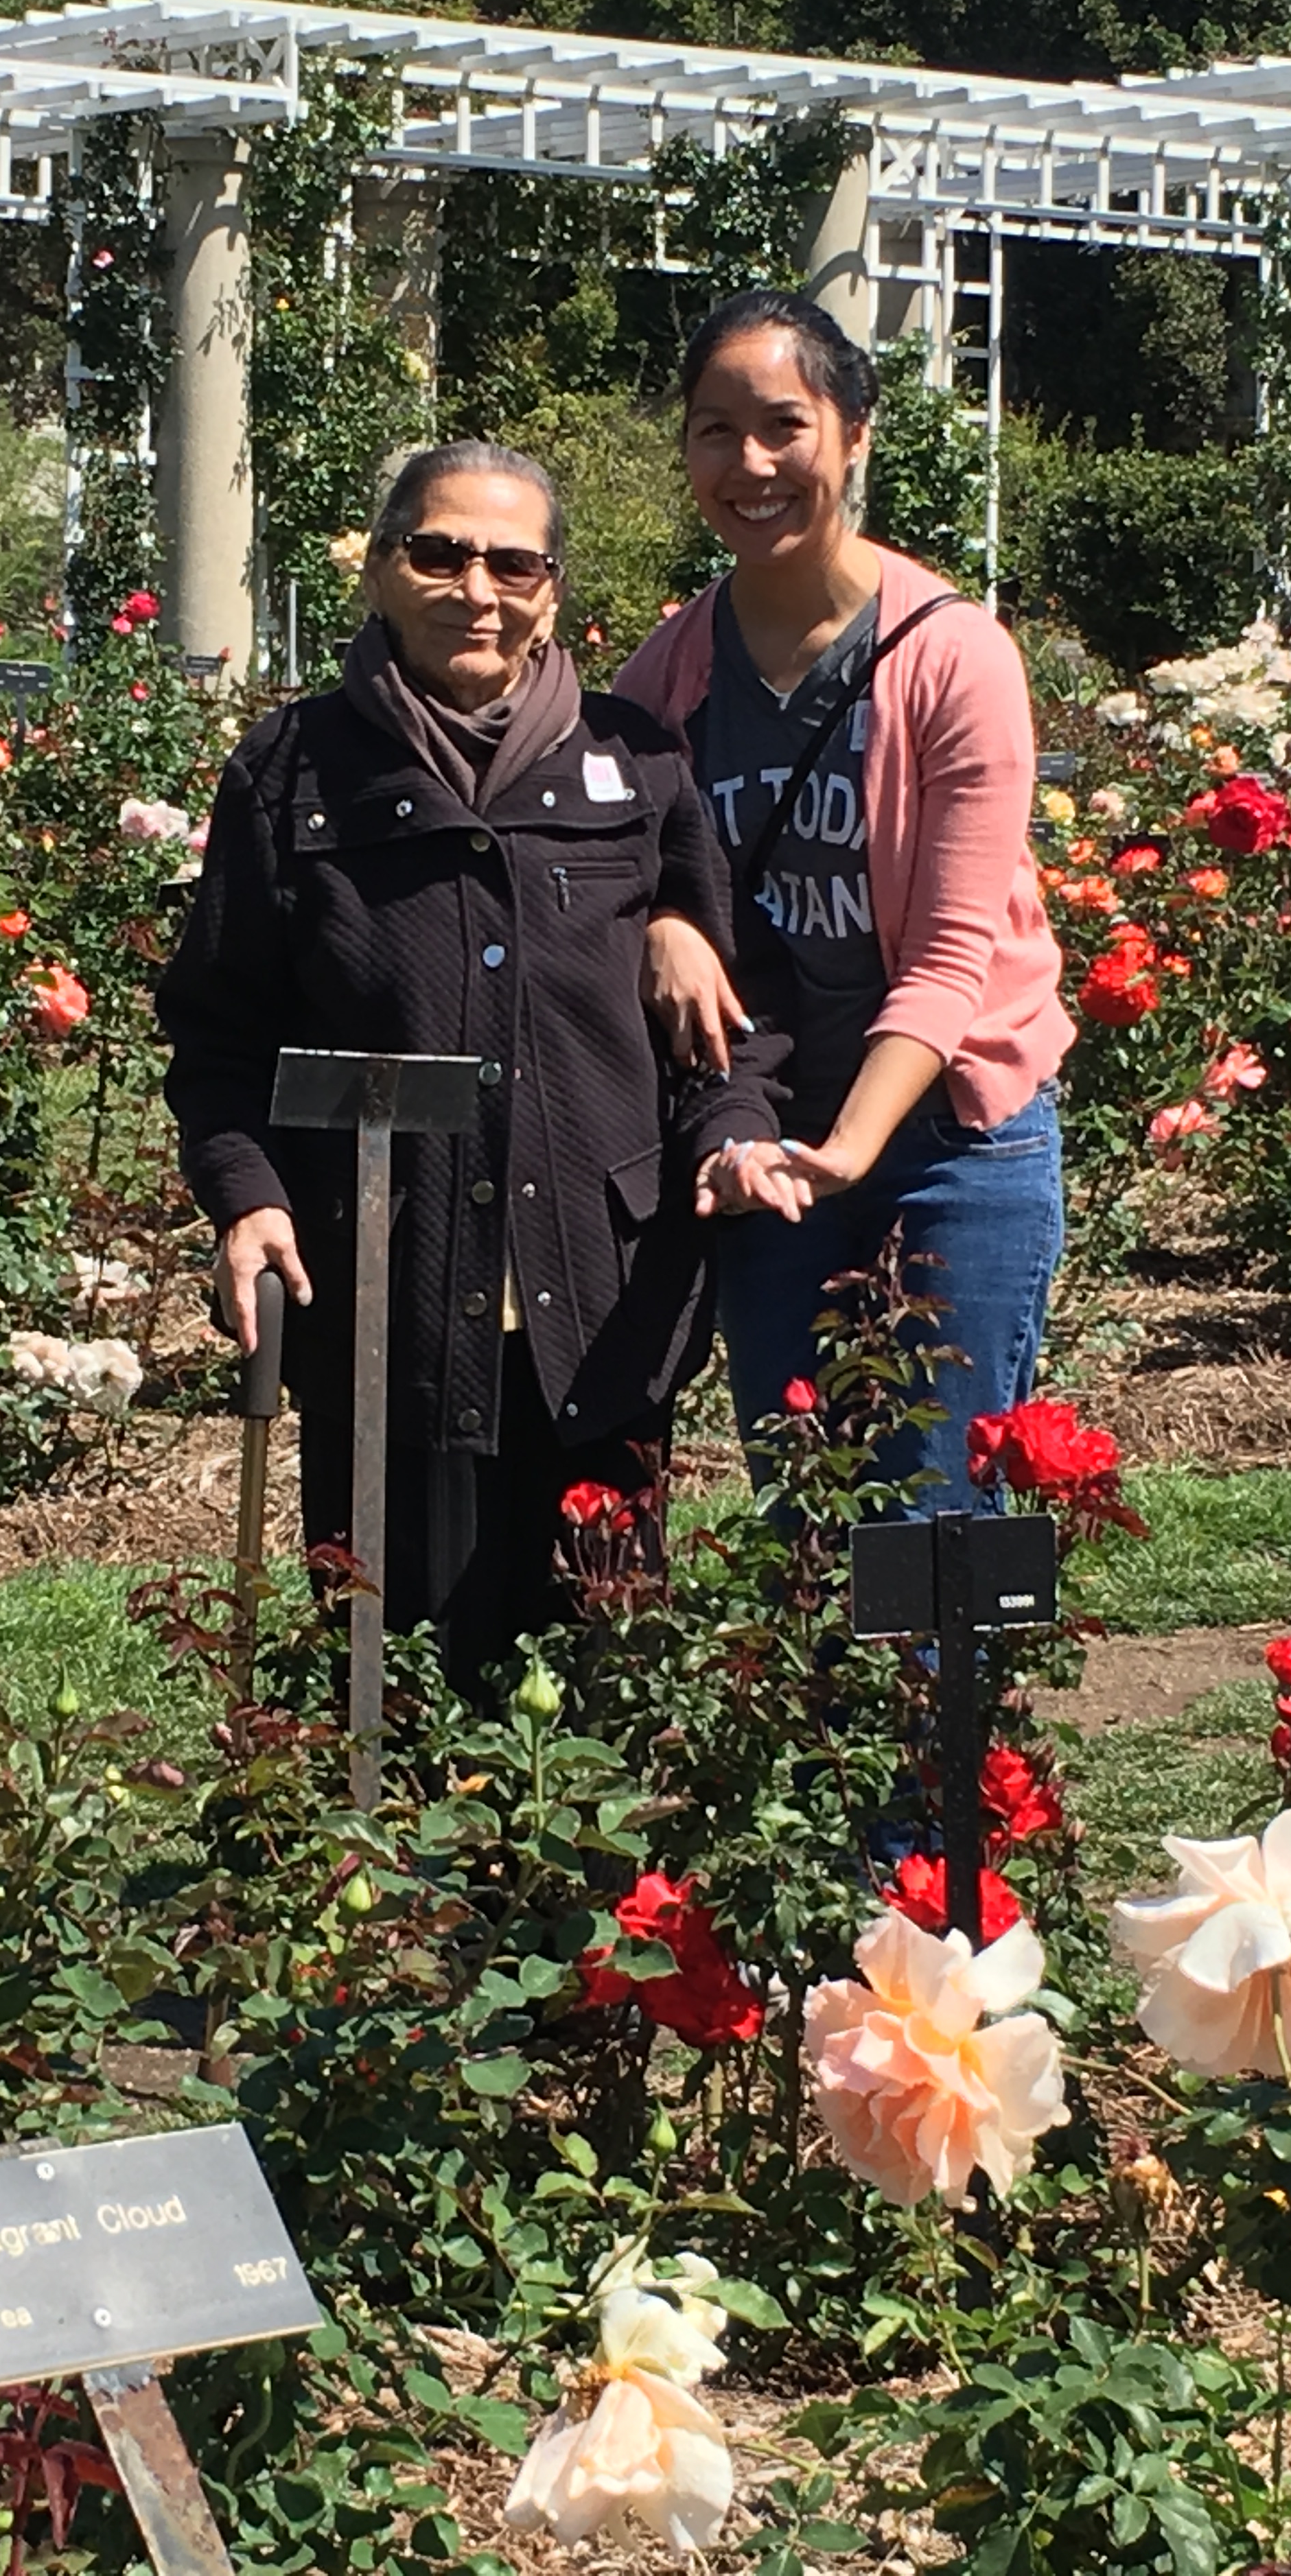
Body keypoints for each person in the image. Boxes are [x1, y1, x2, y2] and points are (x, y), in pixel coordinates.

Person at [158, 438, 782, 1700]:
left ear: (553, 590)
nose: (477, 590)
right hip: (382, 1299)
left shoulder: (638, 766)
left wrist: (732, 1131)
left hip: (599, 1307)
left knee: (602, 1681)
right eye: (439, 555)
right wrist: (248, 1194)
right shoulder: (292, 771)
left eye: (513, 563)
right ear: (381, 570)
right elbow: (220, 1032)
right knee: (388, 1683)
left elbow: (726, 1022)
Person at [616, 289, 1074, 1510]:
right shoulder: (669, 676)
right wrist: (667, 921)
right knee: (805, 1506)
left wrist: (848, 1156)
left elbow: (952, 958)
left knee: (932, 1514)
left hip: (951, 1139)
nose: (751, 465)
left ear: (855, 434)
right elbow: (625, 863)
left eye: (785, 426)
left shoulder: (952, 657)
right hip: (771, 1131)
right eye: (716, 432)